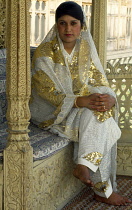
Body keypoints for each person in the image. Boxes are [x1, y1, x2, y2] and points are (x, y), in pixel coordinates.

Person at [30, 1, 131, 206]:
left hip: (79, 108)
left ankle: (85, 166)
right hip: (49, 111)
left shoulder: (85, 50)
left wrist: (109, 99)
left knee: (100, 114)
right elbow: (44, 92)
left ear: (81, 26)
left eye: (73, 23)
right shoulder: (45, 53)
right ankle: (101, 189)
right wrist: (78, 100)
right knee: (105, 124)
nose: (68, 29)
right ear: (56, 25)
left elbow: (99, 82)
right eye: (62, 23)